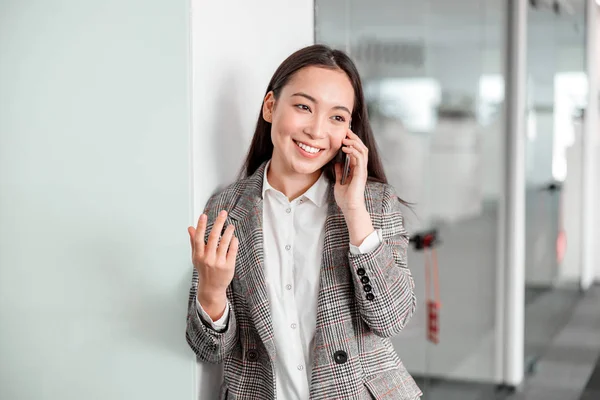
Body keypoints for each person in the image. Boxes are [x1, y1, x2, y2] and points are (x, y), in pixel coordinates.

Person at [186, 44, 421, 400]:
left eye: (337, 117)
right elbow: (208, 350)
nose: (316, 130)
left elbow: (393, 319)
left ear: (349, 132)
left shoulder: (373, 203)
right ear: (270, 107)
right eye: (303, 107)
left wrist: (354, 212)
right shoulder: (226, 206)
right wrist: (212, 291)